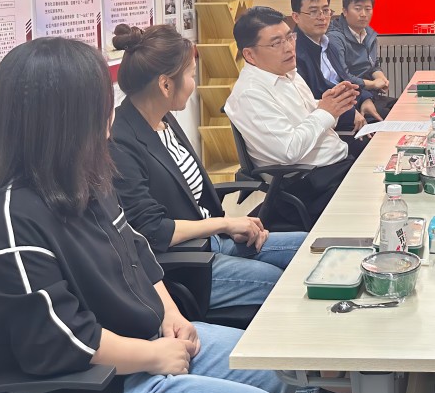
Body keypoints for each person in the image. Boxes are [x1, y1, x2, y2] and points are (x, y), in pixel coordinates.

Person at [0, 38, 290, 393]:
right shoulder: (6, 220)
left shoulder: (85, 179)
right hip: (94, 390)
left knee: (278, 368)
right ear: (64, 121)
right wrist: (152, 356)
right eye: (101, 106)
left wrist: (171, 314)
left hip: (143, 342)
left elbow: (136, 251)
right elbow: (63, 339)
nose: (110, 117)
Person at [109, 23, 306, 304]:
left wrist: (226, 226)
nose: (193, 83)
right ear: (165, 85)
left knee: (308, 248)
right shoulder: (121, 140)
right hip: (181, 262)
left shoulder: (162, 119)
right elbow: (152, 230)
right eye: (191, 75)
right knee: (279, 281)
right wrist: (223, 224)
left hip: (210, 239)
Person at [224, 6, 357, 228]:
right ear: (250, 55)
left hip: (334, 165)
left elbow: (313, 121)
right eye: (276, 43)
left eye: (289, 37)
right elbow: (288, 151)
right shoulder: (250, 94)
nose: (288, 48)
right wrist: (325, 111)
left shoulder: (288, 73)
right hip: (308, 184)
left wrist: (331, 104)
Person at [291, 0, 380, 130]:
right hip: (329, 125)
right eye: (313, 12)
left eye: (326, 10)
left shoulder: (327, 44)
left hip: (351, 108)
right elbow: (309, 102)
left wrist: (365, 98)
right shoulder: (294, 54)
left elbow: (344, 81)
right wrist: (350, 113)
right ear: (296, 17)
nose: (322, 17)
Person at [327, 0, 396, 116]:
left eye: (368, 9)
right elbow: (344, 77)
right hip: (352, 98)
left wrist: (381, 78)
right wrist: (373, 84)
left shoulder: (369, 34)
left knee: (400, 107)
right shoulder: (335, 37)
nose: (363, 14)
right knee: (391, 116)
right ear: (345, 11)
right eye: (357, 9)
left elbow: (373, 65)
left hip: (370, 94)